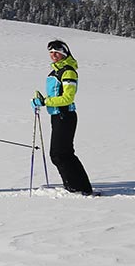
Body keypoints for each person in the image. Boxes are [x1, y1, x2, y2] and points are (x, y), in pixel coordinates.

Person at [33, 39, 94, 195]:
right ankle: (76, 186)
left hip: (65, 116)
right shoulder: (56, 72)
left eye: (57, 52)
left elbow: (68, 98)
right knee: (61, 154)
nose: (53, 55)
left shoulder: (68, 72)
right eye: (51, 52)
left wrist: (45, 101)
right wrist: (40, 100)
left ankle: (79, 188)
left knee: (60, 154)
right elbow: (56, 94)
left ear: (64, 53)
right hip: (57, 116)